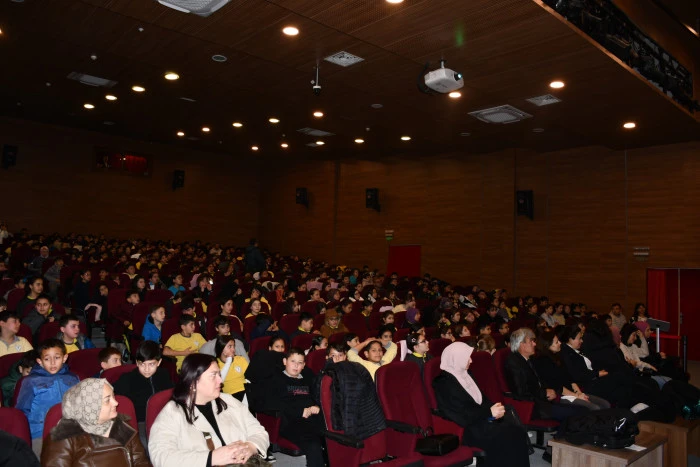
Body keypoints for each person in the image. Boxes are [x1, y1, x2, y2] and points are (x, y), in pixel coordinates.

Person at [148, 354, 270, 467]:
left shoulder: (228, 401)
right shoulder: (172, 412)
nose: (220, 381)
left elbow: (259, 432)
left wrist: (251, 446)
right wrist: (211, 458)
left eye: (219, 375)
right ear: (193, 382)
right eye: (213, 376)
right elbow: (161, 456)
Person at [432, 342, 530, 467]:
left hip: (481, 419)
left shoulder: (466, 374)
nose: (471, 360)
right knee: (505, 436)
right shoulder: (443, 383)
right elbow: (461, 414)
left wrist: (494, 408)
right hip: (467, 427)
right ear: (457, 359)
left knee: (517, 431)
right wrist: (489, 412)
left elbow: (482, 399)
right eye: (467, 357)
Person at [40, 378, 149, 467]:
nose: (116, 403)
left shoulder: (120, 425)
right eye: (107, 400)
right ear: (89, 407)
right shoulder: (64, 437)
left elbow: (140, 462)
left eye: (113, 396)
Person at [504, 328, 585, 422]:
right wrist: (544, 393)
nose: (535, 344)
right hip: (532, 406)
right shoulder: (514, 363)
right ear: (522, 345)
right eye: (531, 341)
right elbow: (521, 392)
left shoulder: (528, 359)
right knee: (579, 413)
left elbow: (540, 381)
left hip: (542, 401)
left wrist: (548, 390)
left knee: (581, 409)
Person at [16, 338, 79, 455]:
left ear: (65, 358)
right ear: (39, 361)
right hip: (40, 433)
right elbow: (21, 412)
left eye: (57, 357)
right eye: (47, 359)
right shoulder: (31, 381)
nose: (52, 363)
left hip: (69, 430)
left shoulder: (73, 378)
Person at [114, 341, 173, 449]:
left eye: (151, 364)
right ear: (137, 363)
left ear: (159, 362)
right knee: (148, 447)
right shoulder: (126, 379)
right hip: (140, 422)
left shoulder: (164, 374)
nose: (146, 369)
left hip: (162, 418)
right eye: (142, 364)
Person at [271, 348, 324, 467]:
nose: (296, 365)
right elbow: (277, 404)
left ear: (304, 365)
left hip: (312, 419)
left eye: (300, 363)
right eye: (293, 361)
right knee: (313, 445)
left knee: (332, 438)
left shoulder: (308, 378)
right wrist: (300, 412)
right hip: (291, 422)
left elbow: (317, 397)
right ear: (285, 361)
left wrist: (316, 406)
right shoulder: (277, 379)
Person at [532, 331, 610, 411]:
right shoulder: (543, 362)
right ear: (547, 346)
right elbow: (557, 387)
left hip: (572, 392)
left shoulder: (557, 357)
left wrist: (579, 393)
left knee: (605, 404)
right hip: (561, 396)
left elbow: (570, 378)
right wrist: (577, 396)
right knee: (595, 407)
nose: (560, 343)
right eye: (556, 342)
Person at [215, 335, 248, 401]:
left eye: (233, 346)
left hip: (245, 392)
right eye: (230, 346)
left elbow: (250, 377)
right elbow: (219, 381)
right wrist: (228, 362)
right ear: (221, 348)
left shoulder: (240, 359)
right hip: (229, 396)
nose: (233, 349)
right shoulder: (215, 364)